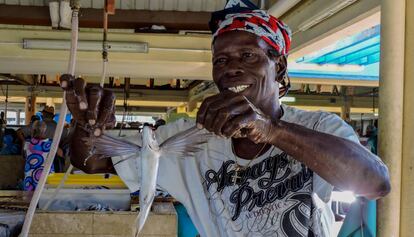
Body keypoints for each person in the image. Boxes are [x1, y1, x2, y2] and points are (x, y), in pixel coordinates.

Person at [60, 1, 390, 236]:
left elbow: (374, 183)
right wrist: (87, 127)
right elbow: (91, 161)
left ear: (280, 68)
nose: (231, 68)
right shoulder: (190, 138)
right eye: (220, 60)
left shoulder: (319, 128)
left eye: (248, 55)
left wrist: (272, 131)